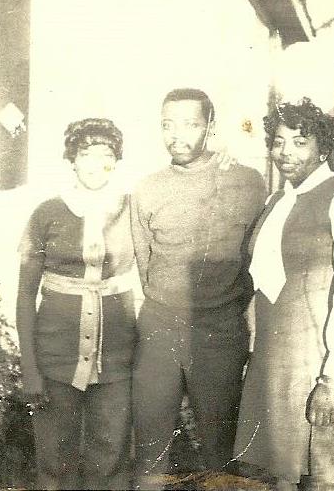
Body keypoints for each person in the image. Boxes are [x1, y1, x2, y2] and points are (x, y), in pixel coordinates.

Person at [232, 98, 334, 491]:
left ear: (322, 147)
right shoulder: (276, 201)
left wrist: (333, 379)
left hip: (318, 359)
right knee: (280, 472)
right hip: (273, 361)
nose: (286, 153)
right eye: (279, 142)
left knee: (320, 473)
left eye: (300, 142)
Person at [130, 88, 267, 489]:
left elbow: (257, 256)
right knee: (151, 445)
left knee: (220, 449)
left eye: (190, 124)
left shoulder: (246, 182)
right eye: (168, 124)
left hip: (221, 327)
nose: (177, 135)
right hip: (160, 324)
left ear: (210, 127)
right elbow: (144, 263)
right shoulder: (147, 188)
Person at [16, 118, 141, 490]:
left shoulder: (131, 209)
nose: (96, 164)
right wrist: (29, 367)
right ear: (72, 159)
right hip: (55, 356)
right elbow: (25, 294)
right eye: (86, 154)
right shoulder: (46, 213)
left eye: (106, 155)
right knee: (55, 460)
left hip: (116, 357)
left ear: (116, 161)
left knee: (112, 456)